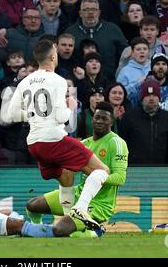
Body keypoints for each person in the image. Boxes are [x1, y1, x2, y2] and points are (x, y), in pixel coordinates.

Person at [0, 39, 110, 230]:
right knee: (102, 171)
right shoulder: (58, 80)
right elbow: (61, 116)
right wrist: (70, 108)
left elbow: (10, 115)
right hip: (53, 139)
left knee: (66, 175)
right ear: (52, 56)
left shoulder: (24, 81)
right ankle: (81, 209)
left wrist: (34, 112)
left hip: (34, 144)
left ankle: (68, 220)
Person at [26, 101, 128, 237]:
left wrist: (96, 178)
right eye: (97, 117)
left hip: (99, 205)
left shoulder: (116, 143)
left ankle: (95, 231)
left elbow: (120, 178)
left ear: (111, 122)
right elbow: (65, 169)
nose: (99, 121)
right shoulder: (84, 144)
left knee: (60, 229)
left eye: (104, 119)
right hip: (77, 195)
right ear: (92, 119)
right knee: (32, 205)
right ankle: (36, 229)